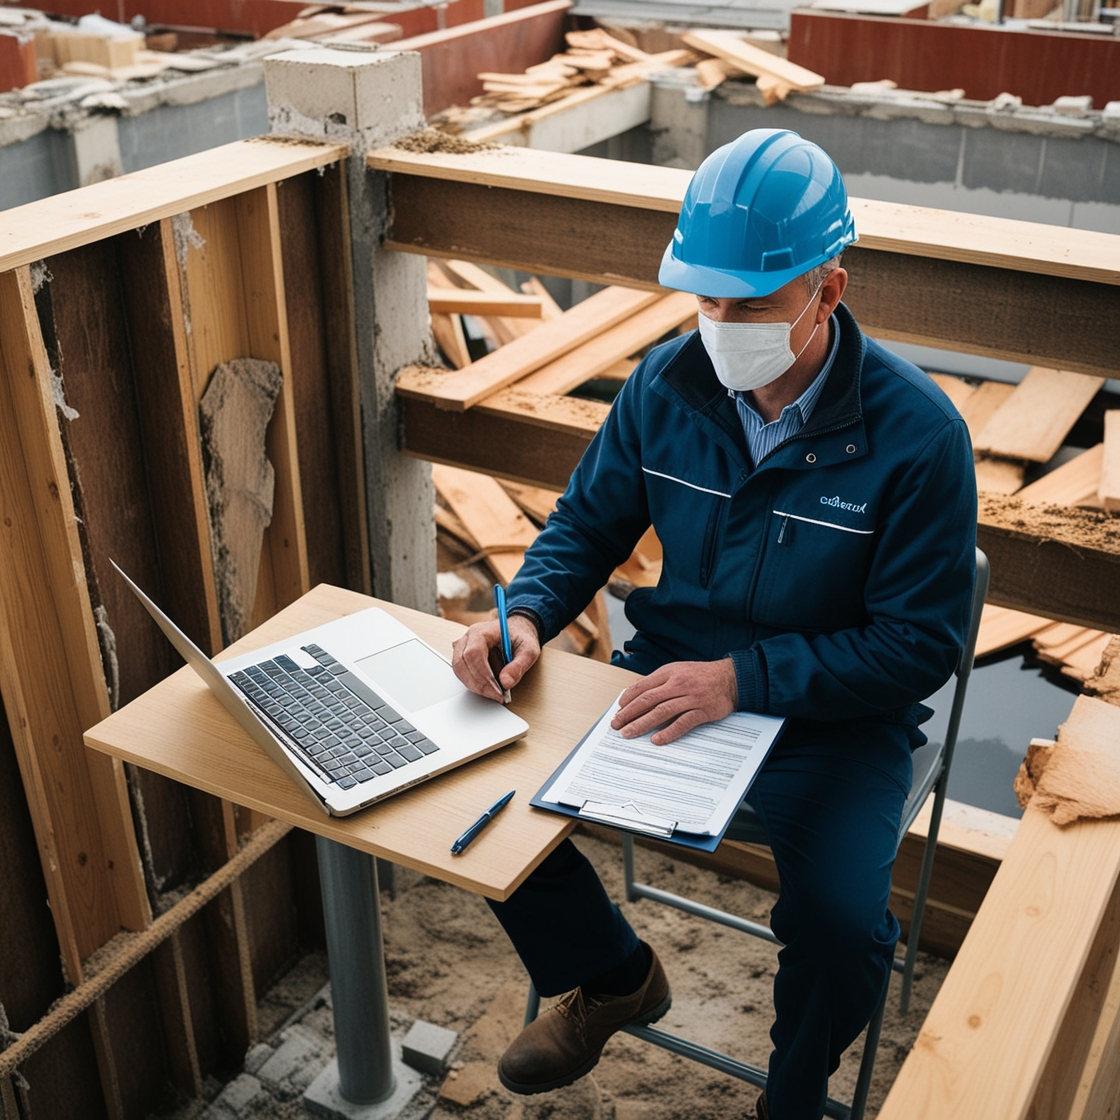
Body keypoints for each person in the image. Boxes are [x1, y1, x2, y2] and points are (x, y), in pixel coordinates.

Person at [451, 128, 977, 1120]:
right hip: (666, 678)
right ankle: (610, 975)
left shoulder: (918, 437)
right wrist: (522, 616)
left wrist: (743, 680)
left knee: (840, 922)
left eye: (752, 301)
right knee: (469, 798)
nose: (721, 322)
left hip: (831, 715)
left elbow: (917, 647)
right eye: (706, 296)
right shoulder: (666, 384)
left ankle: (793, 1091)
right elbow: (584, 523)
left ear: (829, 287)